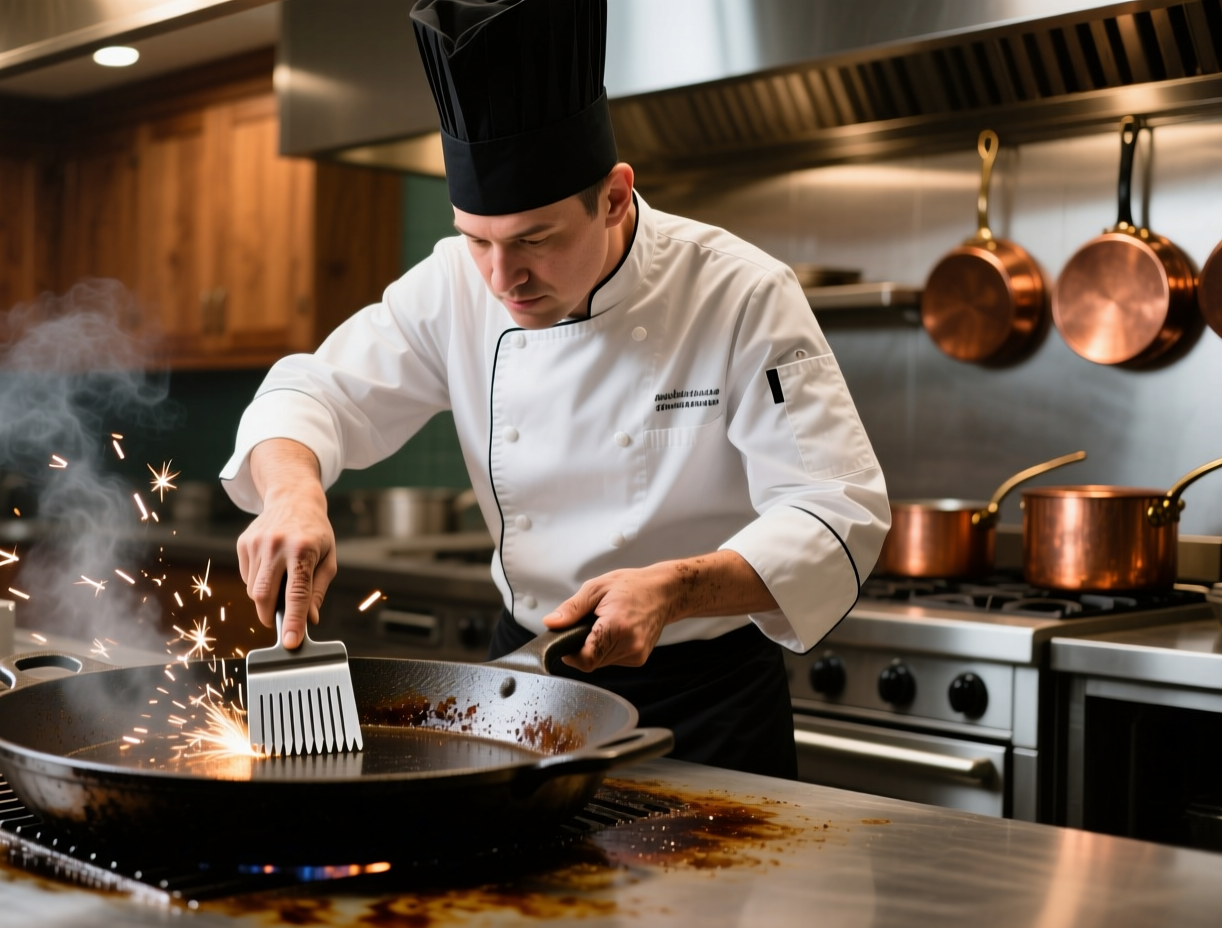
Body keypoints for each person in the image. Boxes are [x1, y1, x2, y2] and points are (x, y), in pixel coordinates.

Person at [221, 0, 889, 777]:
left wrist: (674, 588)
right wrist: (292, 493)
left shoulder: (738, 292)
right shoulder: (451, 288)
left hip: (706, 709)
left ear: (612, 197)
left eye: (535, 240)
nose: (503, 278)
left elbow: (839, 507)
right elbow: (313, 394)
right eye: (478, 240)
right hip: (525, 687)